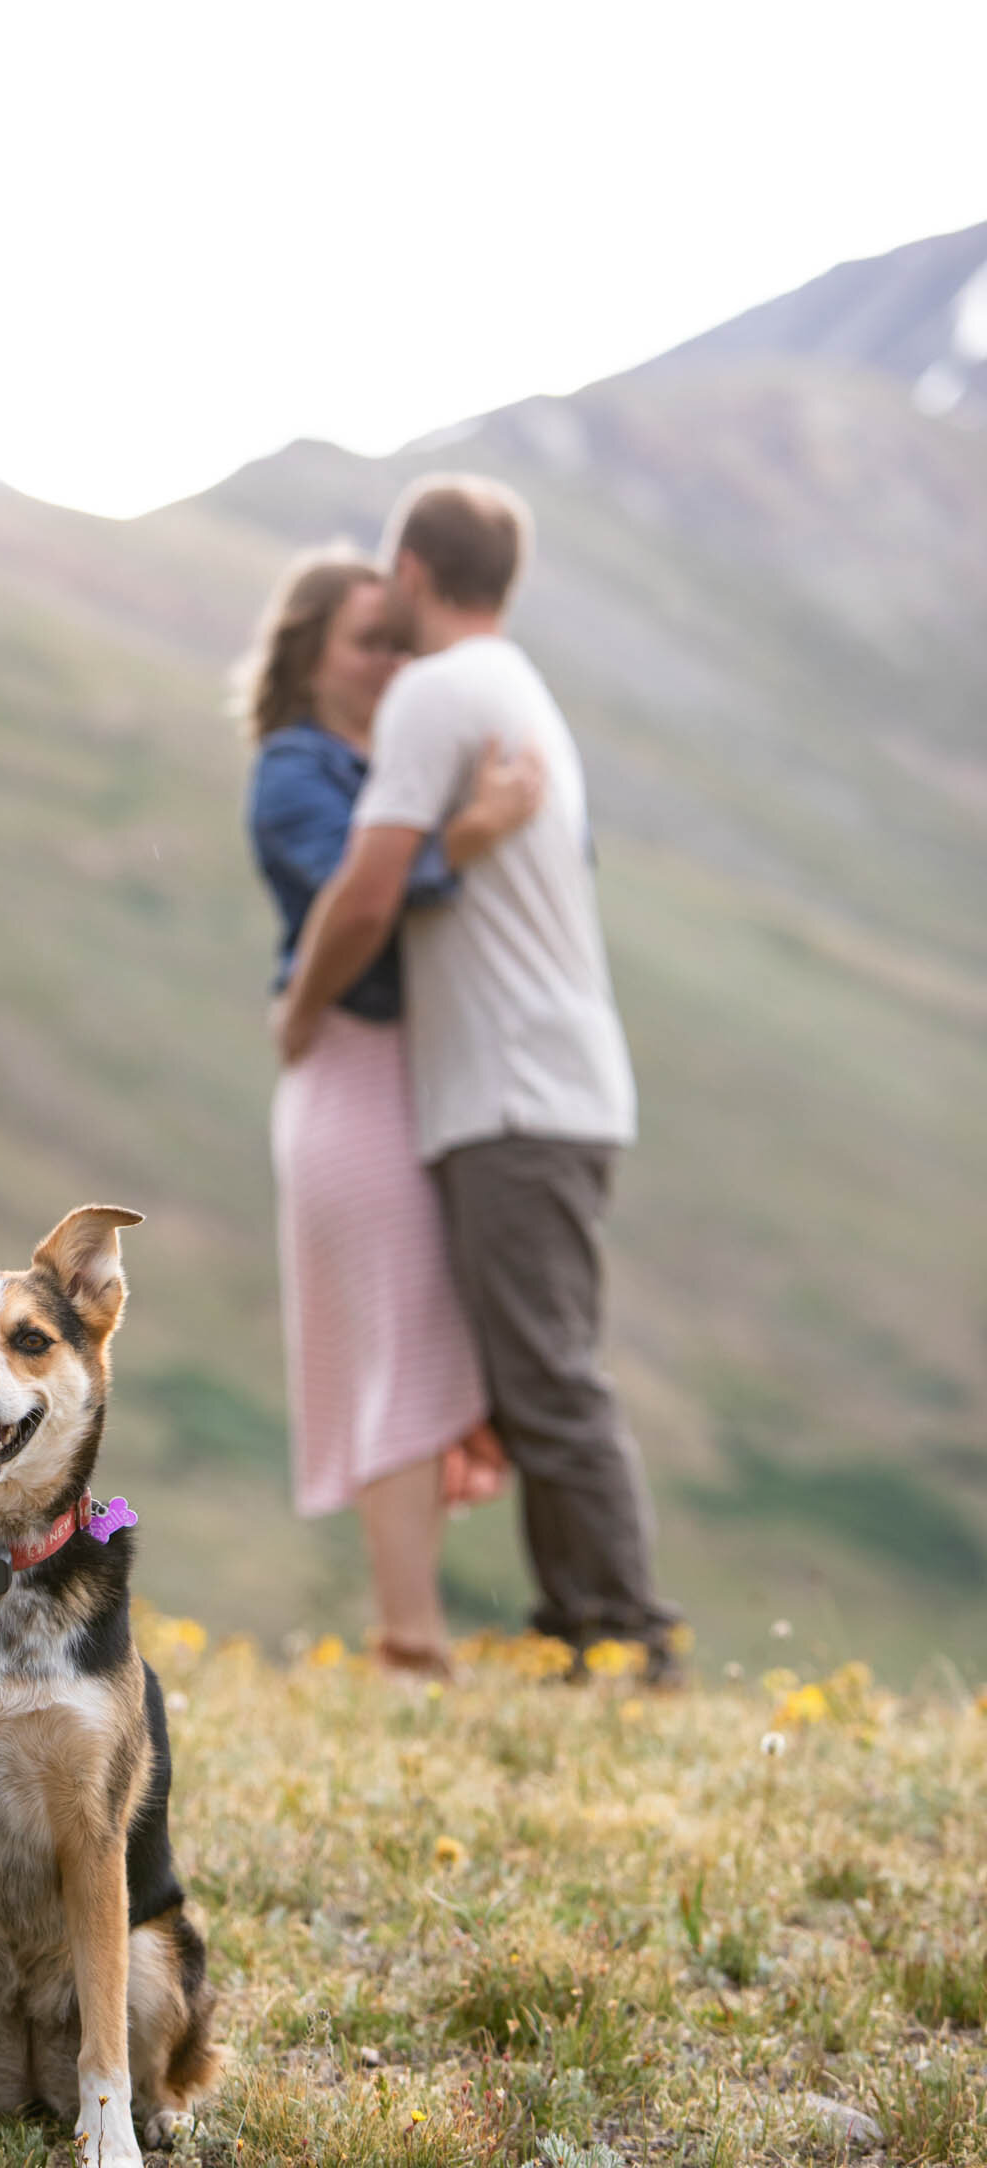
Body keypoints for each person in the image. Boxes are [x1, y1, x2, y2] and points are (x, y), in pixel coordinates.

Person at [274, 479, 686, 1684]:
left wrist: (298, 1008)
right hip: (546, 1086)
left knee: (549, 1379)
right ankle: (583, 1630)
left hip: (513, 1095)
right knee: (529, 1373)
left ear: (409, 570)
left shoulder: (438, 693)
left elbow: (364, 890)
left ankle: (626, 1641)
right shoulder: (516, 689)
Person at [242, 549, 542, 1674]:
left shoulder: (412, 755)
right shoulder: (293, 769)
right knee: (398, 1351)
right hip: (351, 1075)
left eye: (399, 643)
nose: (390, 664)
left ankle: (413, 1625)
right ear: (309, 655)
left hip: (423, 1074)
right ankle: (409, 1635)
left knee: (423, 1345)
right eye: (367, 642)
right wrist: (470, 832)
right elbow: (351, 906)